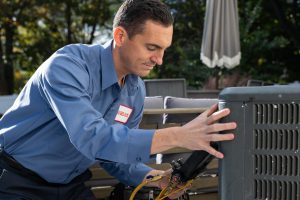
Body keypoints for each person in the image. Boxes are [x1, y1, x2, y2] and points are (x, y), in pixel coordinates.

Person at [0, 0, 236, 199]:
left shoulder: (135, 90)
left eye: (164, 49)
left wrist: (156, 178)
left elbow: (114, 156)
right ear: (120, 36)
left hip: (70, 186)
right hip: (17, 181)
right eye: (152, 47)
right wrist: (180, 135)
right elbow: (92, 137)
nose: (159, 60)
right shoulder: (67, 66)